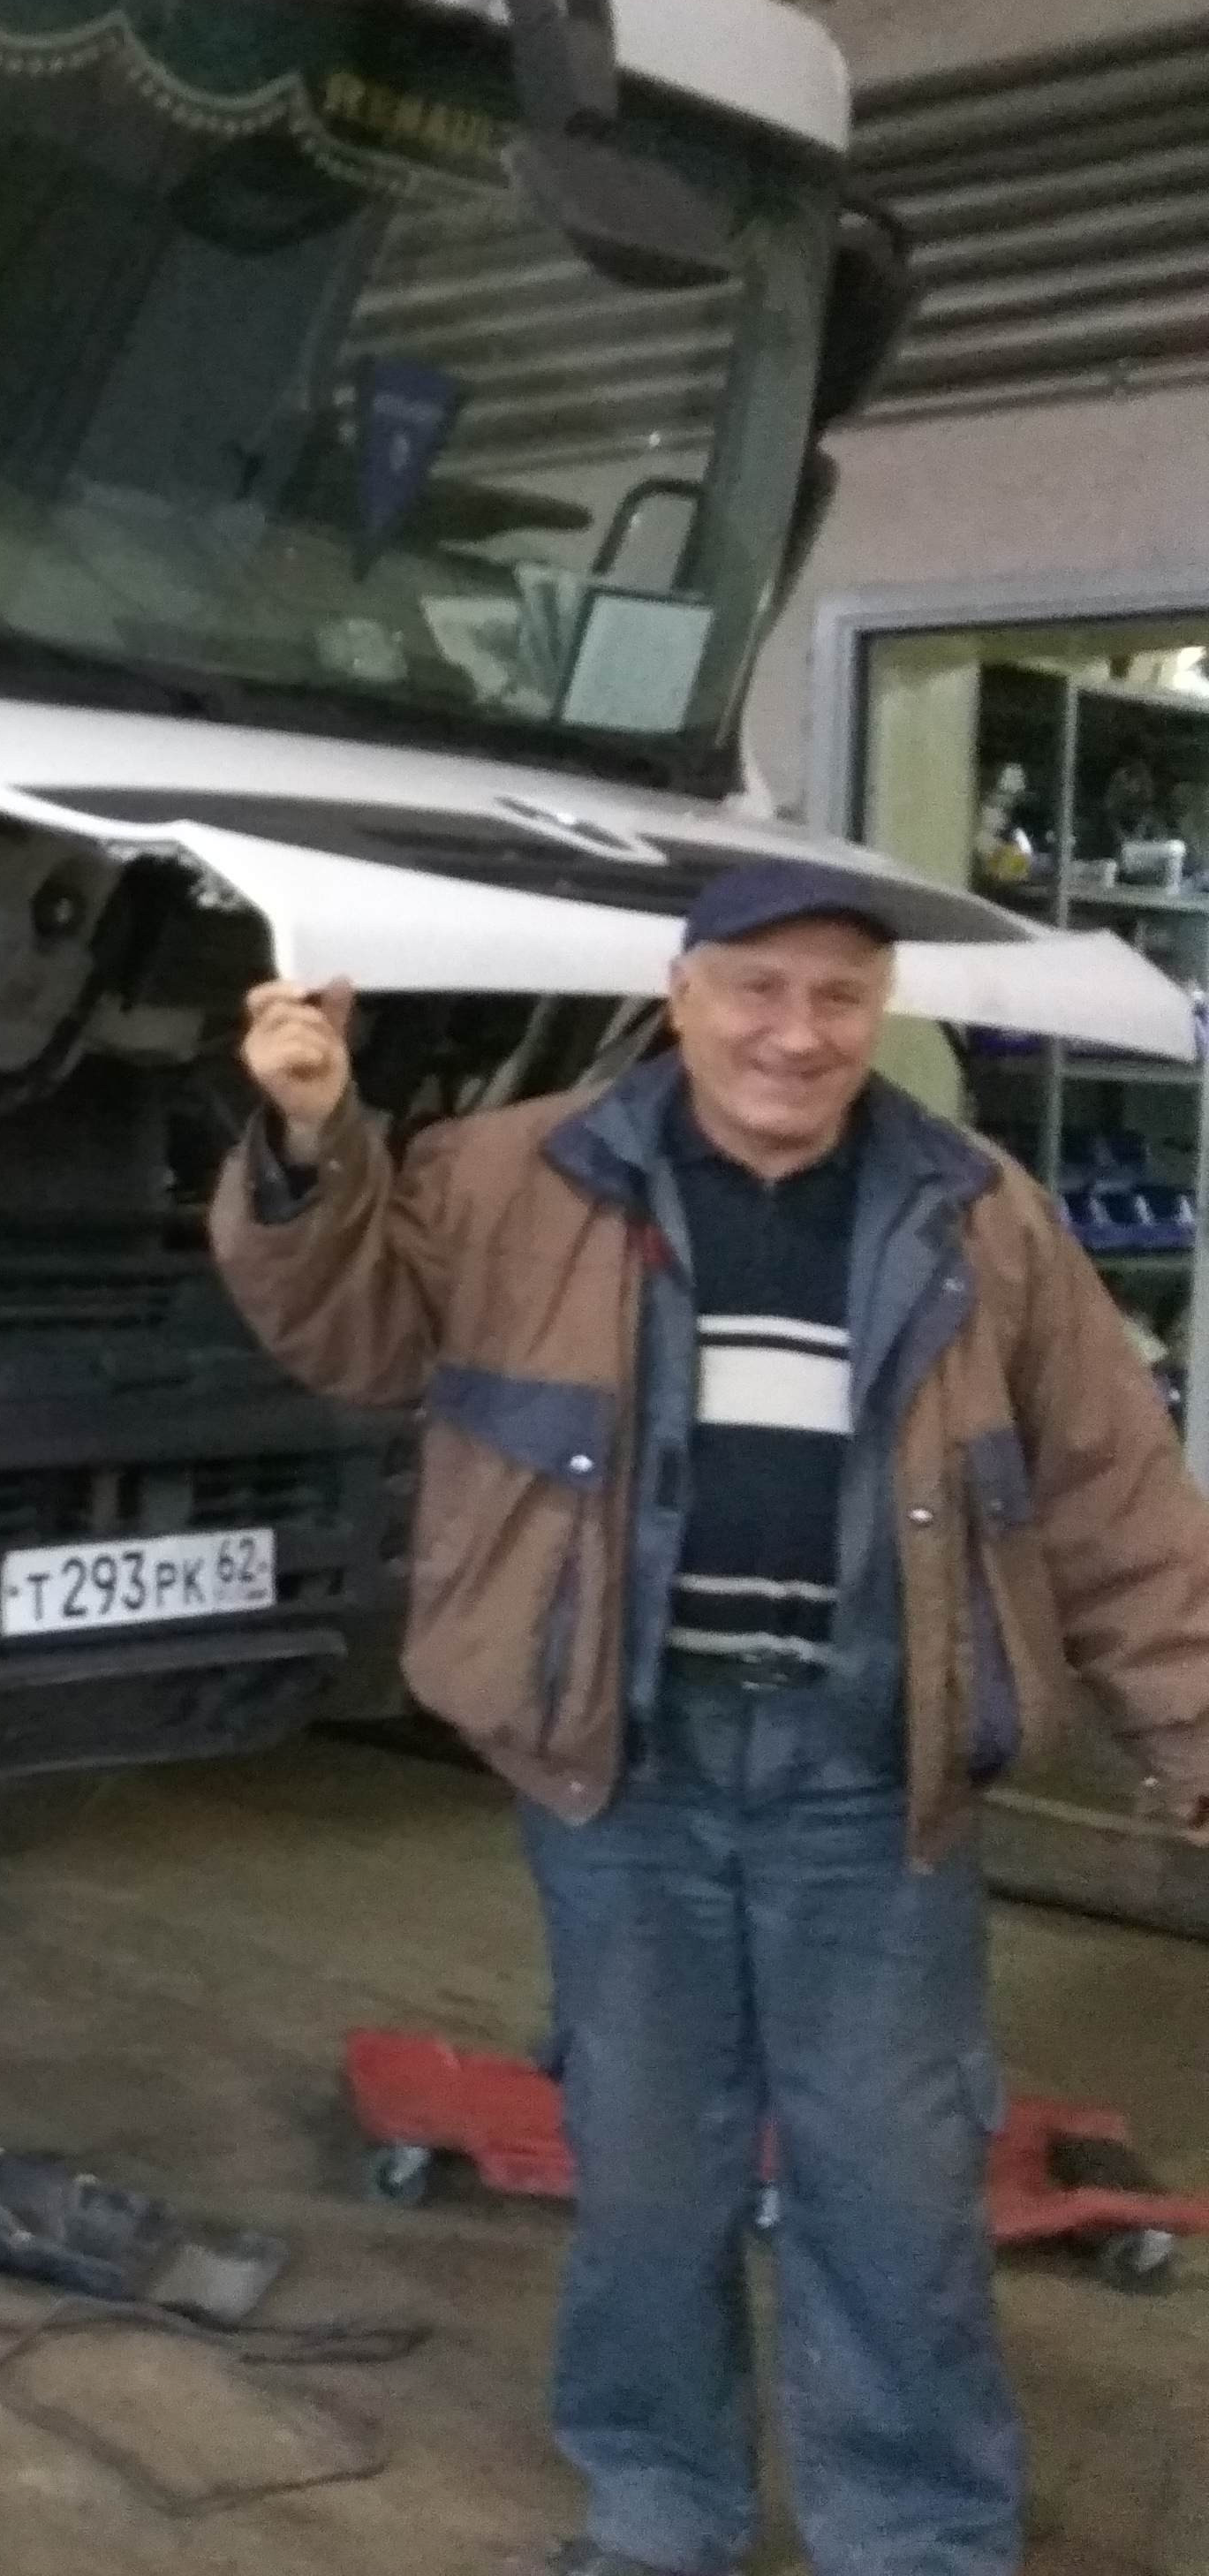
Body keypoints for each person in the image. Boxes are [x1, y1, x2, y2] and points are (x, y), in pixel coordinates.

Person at [212, 860, 1209, 2576]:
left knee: (894, 2191)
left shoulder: (981, 1212)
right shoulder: (516, 1175)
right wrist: (313, 1141)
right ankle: (662, 2511)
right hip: (628, 1765)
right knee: (649, 2174)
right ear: (679, 996)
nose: (795, 1032)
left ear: (879, 1011)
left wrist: (1193, 1735)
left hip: (868, 1769)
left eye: (838, 995)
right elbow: (354, 1334)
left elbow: (1119, 1501)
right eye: (755, 988)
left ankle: (914, 2535)